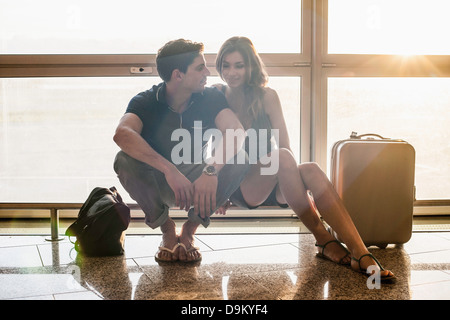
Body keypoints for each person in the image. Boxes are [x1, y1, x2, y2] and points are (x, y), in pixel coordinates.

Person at [214, 36, 395, 281]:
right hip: (240, 185)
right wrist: (217, 187)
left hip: (273, 180)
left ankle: (359, 252)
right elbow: (210, 144)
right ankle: (323, 240)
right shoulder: (215, 95)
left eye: (239, 65)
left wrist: (295, 182)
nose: (232, 72)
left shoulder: (267, 96)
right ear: (219, 66)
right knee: (281, 157)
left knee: (310, 169)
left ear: (251, 67)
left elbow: (286, 147)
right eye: (226, 65)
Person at [113, 39, 249, 263]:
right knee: (123, 160)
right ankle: (167, 230)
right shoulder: (146, 100)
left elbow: (236, 131)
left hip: (196, 181)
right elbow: (122, 133)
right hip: (158, 181)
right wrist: (169, 170)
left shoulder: (210, 97)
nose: (207, 72)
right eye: (199, 68)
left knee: (240, 158)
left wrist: (211, 171)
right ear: (178, 75)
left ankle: (189, 231)